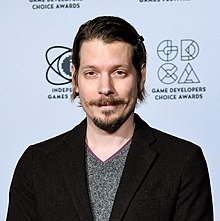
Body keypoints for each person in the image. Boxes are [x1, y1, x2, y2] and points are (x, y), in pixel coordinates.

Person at [7, 16, 213, 221]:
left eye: (119, 72)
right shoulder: (36, 164)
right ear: (75, 78)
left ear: (141, 77)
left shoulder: (183, 161)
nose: (105, 88)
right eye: (91, 73)